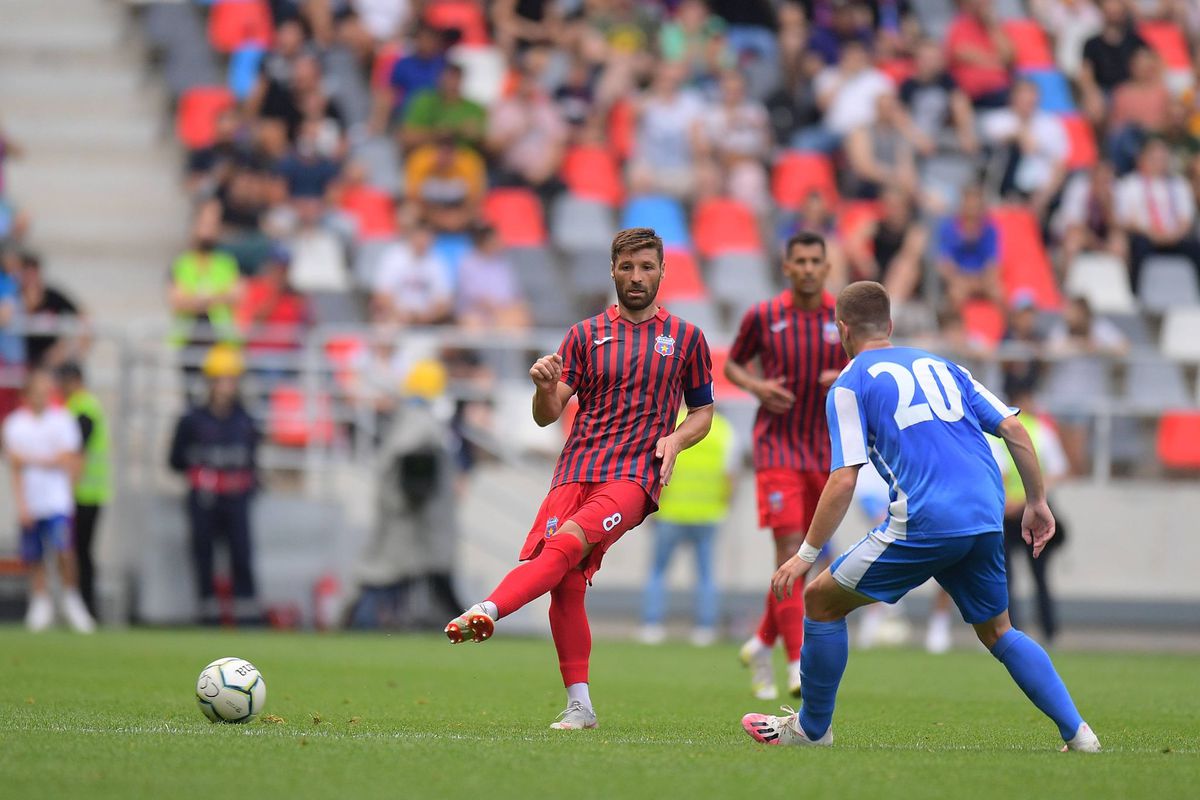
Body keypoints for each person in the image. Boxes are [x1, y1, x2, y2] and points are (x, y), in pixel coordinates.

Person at [740, 281, 1100, 753]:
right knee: (999, 631)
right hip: (986, 513)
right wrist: (1036, 502)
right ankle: (1080, 734)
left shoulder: (849, 382)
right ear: (889, 325)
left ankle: (812, 729)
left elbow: (844, 479)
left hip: (928, 519)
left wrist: (804, 555)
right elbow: (1012, 427)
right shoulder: (944, 365)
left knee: (821, 602)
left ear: (841, 329)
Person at [442, 227, 715, 731]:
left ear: (661, 271)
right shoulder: (584, 335)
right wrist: (544, 387)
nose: (637, 277)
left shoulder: (687, 339)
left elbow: (703, 412)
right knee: (564, 585)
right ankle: (580, 705)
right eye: (628, 267)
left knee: (566, 546)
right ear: (613, 270)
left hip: (634, 476)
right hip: (574, 469)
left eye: (647, 267)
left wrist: (674, 441)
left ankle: (487, 609)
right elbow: (548, 415)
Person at [725, 232, 848, 701]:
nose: (809, 268)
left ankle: (761, 643)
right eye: (801, 261)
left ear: (827, 266)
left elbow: (870, 361)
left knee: (808, 560)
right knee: (791, 551)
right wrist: (757, 387)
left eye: (817, 260)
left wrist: (844, 375)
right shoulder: (763, 316)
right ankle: (797, 663)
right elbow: (734, 365)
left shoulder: (841, 317)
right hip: (776, 449)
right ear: (787, 266)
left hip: (826, 452)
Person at [168, 345, 261, 626]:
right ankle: (207, 616)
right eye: (221, 379)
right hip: (205, 498)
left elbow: (252, 461)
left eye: (231, 380)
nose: (226, 387)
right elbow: (174, 460)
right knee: (204, 556)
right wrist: (202, 465)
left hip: (236, 497)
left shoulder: (245, 420)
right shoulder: (192, 420)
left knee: (242, 556)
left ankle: (247, 618)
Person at [2, 368, 94, 632]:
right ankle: (40, 602)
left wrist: (31, 459)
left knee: (65, 550)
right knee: (35, 555)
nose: (42, 396)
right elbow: (15, 467)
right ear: (27, 395)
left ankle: (70, 599)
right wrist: (21, 504)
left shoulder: (62, 419)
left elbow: (68, 458)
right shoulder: (15, 425)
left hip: (57, 500)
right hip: (32, 500)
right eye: (37, 391)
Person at [639, 408, 737, 648]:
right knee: (705, 575)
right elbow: (730, 478)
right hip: (708, 514)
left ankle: (652, 625)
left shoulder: (673, 421)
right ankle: (705, 628)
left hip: (670, 512)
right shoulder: (725, 432)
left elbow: (656, 466)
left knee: (658, 571)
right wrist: (723, 508)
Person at [998, 382, 1069, 644]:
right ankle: (1049, 632)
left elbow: (999, 472)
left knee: (1007, 578)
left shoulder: (999, 430)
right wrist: (1036, 496)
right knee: (1038, 576)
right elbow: (1059, 469)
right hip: (1033, 512)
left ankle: (1011, 632)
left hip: (1009, 513)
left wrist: (1017, 501)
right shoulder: (1041, 431)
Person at [57, 362, 110, 619]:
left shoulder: (82, 408)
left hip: (84, 494)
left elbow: (78, 452)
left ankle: (85, 606)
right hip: (87, 492)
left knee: (80, 552)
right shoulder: (79, 407)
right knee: (80, 551)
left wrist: (68, 488)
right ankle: (82, 606)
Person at [1115, 137, 1200, 291]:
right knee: (1139, 247)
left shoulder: (1179, 185)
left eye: (1163, 158)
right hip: (1145, 237)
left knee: (1195, 248)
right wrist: (1151, 233)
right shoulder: (1130, 184)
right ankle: (1136, 292)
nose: (1159, 163)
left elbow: (1186, 219)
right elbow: (1125, 219)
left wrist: (1173, 235)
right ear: (1143, 158)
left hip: (1174, 238)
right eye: (1155, 158)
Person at [936, 185, 1003, 310]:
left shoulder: (990, 230)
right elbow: (944, 265)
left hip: (982, 281)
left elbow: (994, 265)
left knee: (1000, 294)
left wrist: (979, 283)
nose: (972, 211)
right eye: (969, 207)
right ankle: (956, 327)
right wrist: (961, 281)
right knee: (956, 294)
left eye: (976, 208)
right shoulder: (948, 228)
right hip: (959, 280)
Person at [20, 253, 86, 369]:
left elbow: (82, 314)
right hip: (22, 360)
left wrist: (67, 347)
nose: (30, 278)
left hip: (50, 361)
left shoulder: (52, 296)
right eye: (27, 274)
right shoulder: (13, 297)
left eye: (33, 273)